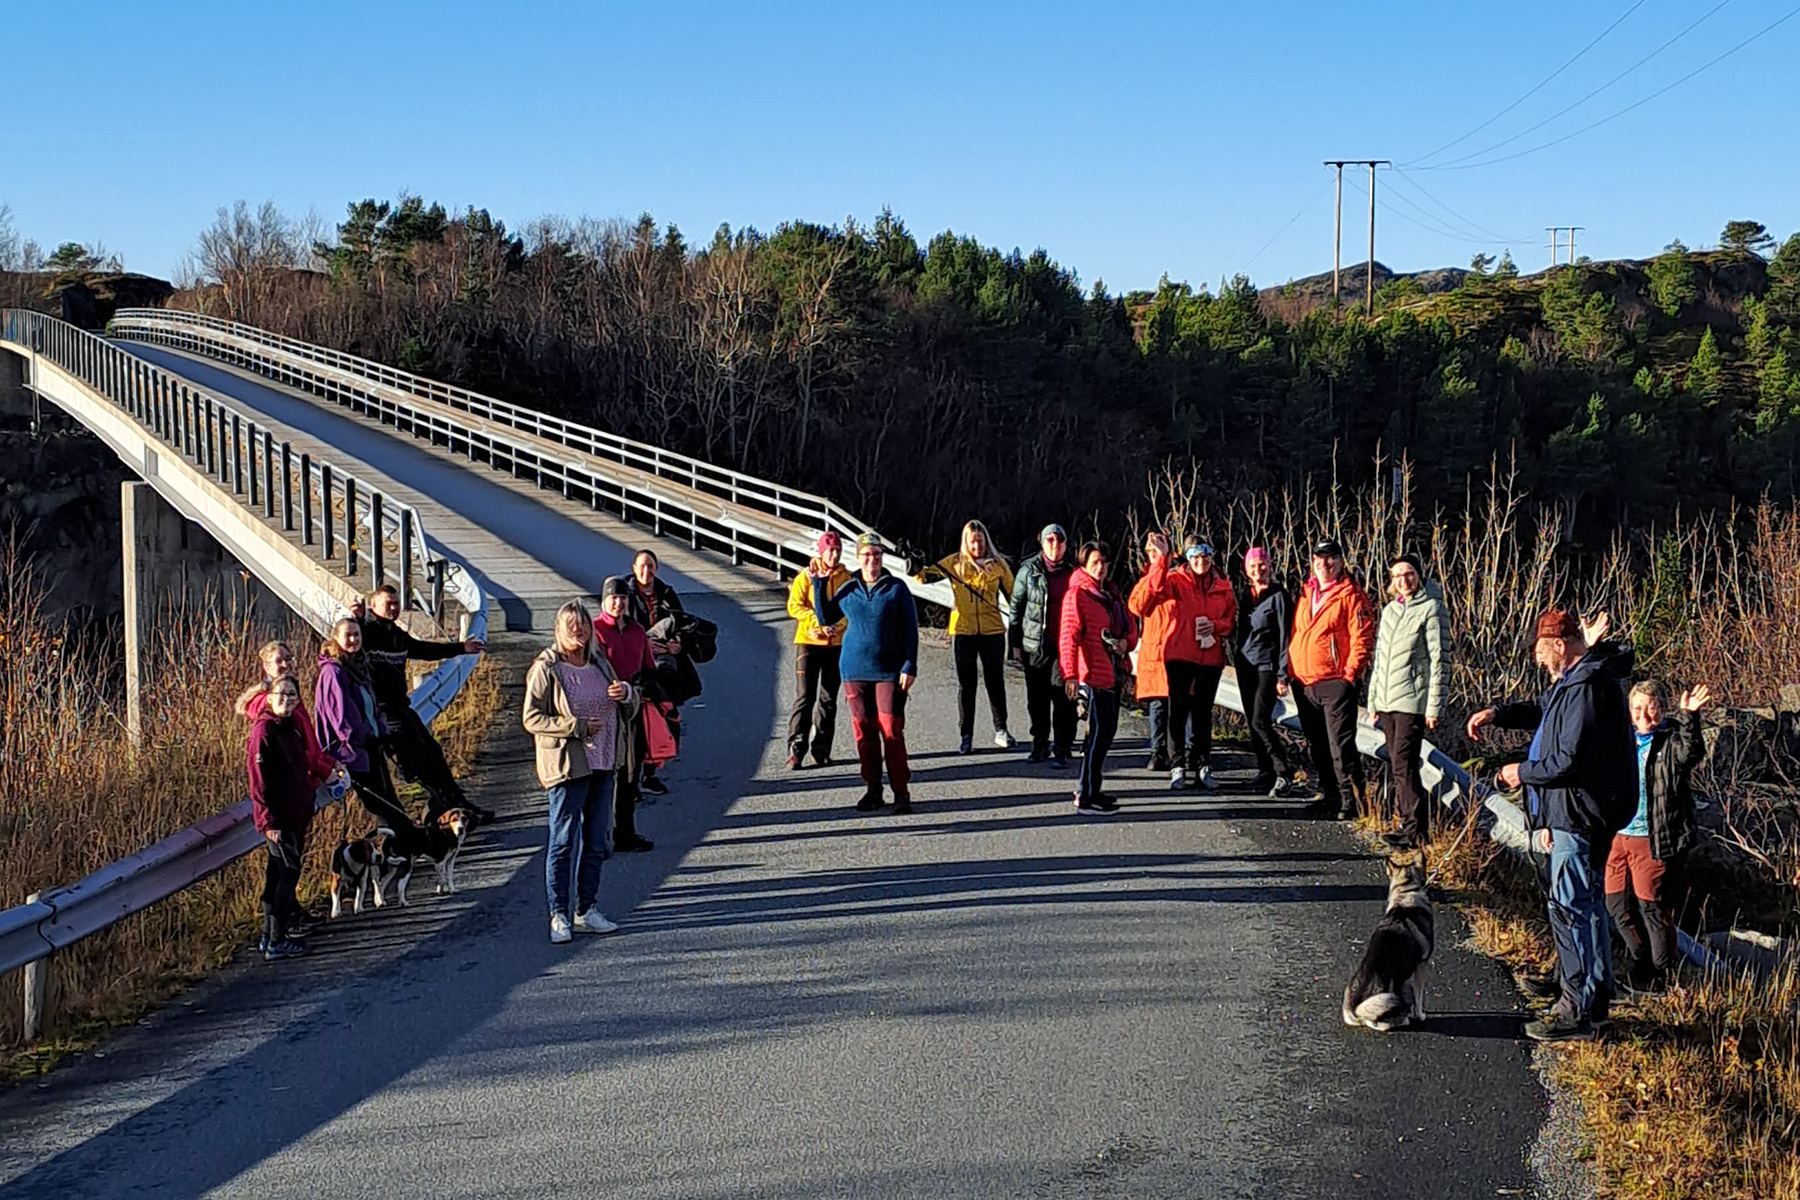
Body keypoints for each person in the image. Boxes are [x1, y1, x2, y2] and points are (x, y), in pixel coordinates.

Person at [1469, 609, 1636, 1042]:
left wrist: (1520, 773)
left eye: (1543, 653)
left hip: (1579, 812)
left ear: (1560, 646)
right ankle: (1593, 998)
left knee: (1570, 908)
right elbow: (1543, 709)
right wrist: (1497, 714)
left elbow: (1568, 760)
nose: (1541, 662)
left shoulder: (1587, 686)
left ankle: (1574, 1008)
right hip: (1582, 811)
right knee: (1587, 906)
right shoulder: (1577, 680)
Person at [524, 600, 640, 944]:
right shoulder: (547, 668)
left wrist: (627, 693)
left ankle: (587, 909)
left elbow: (629, 708)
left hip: (604, 762)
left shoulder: (600, 664)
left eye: (584, 625)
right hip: (567, 767)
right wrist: (574, 727)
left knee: (597, 840)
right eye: (572, 626)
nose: (579, 631)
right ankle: (558, 913)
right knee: (562, 841)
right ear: (560, 629)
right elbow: (532, 718)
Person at [1606, 679, 1709, 992]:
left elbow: (1691, 753)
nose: (1643, 716)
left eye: (1651, 710)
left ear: (1663, 710)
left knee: (1652, 908)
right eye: (1637, 709)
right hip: (1616, 836)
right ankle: (1641, 961)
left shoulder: (1671, 740)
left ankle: (1662, 974)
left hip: (1653, 838)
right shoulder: (1620, 740)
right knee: (1616, 906)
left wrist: (1690, 716)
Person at [357, 584, 490, 824]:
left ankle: (457, 805)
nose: (394, 608)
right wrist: (356, 617)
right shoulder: (367, 633)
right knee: (417, 761)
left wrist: (461, 648)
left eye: (396, 603)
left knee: (433, 752)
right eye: (388, 603)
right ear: (374, 606)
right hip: (382, 711)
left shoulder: (397, 635)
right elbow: (350, 641)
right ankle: (448, 809)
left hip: (401, 706)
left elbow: (424, 650)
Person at [813, 533, 919, 814]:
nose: (872, 560)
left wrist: (910, 665)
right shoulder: (849, 589)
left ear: (882, 558)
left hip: (889, 671)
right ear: (858, 559)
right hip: (854, 670)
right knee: (864, 732)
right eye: (866, 555)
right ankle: (873, 789)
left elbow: (911, 630)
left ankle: (901, 792)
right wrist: (819, 582)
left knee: (891, 730)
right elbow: (826, 617)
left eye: (877, 555)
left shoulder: (896, 589)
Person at [1287, 539, 1376, 819]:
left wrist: (1350, 675)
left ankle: (1353, 801)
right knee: (1317, 746)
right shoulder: (1306, 592)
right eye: (1319, 558)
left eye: (1331, 558)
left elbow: (1363, 638)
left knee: (1341, 746)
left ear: (1340, 561)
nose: (1324, 564)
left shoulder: (1352, 595)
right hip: (1304, 681)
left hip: (1335, 681)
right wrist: (1291, 671)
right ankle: (1330, 795)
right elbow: (1298, 632)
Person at [1368, 553, 1451, 851]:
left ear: (1420, 575)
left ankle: (1415, 829)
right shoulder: (1391, 610)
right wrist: (1373, 700)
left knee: (1404, 763)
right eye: (1398, 575)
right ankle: (1406, 822)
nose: (1403, 580)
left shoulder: (1431, 608)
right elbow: (1380, 659)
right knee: (1397, 762)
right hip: (1388, 699)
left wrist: (1433, 706)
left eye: (1409, 574)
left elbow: (1439, 659)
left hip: (1412, 701)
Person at [248, 676, 334, 961]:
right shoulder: (264, 732)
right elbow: (259, 782)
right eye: (281, 694)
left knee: (277, 874)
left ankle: (268, 936)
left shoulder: (292, 728)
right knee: (287, 874)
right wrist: (268, 821)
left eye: (292, 695)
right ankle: (277, 939)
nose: (286, 699)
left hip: (296, 813)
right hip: (279, 818)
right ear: (269, 697)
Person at [917, 519, 1017, 754]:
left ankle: (1001, 729)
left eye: (980, 541)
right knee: (966, 685)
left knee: (995, 682)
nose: (977, 546)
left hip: (992, 631)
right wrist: (914, 565)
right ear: (966, 542)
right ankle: (966, 735)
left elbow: (1013, 596)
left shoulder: (999, 565)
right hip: (963, 631)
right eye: (972, 542)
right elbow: (926, 577)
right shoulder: (954, 563)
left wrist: (1020, 627)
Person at [314, 618, 411, 834]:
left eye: (356, 635)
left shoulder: (358, 665)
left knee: (389, 799)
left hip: (372, 745)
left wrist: (382, 732)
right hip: (353, 750)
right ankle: (400, 850)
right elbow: (341, 715)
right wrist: (361, 737)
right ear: (336, 639)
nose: (353, 640)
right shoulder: (334, 672)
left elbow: (370, 704)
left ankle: (406, 847)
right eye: (347, 635)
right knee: (381, 806)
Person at [1060, 540, 1136, 814]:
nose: (1101, 568)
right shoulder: (1078, 595)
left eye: (1104, 562)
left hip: (1113, 672)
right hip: (1092, 675)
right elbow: (1068, 636)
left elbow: (1131, 627)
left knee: (1106, 735)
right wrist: (1070, 675)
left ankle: (1094, 788)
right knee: (1095, 738)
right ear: (1084, 565)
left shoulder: (1111, 594)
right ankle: (1085, 795)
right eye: (1095, 563)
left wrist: (1125, 644)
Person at [592, 576, 659, 853]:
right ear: (604, 601)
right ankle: (599, 833)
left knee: (629, 773)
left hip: (632, 707)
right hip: (603, 709)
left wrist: (642, 688)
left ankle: (625, 833)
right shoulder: (594, 630)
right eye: (613, 598)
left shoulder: (637, 631)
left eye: (622, 598)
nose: (618, 603)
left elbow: (649, 668)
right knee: (604, 772)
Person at [1009, 523, 1079, 767]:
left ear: (1065, 545)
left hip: (1065, 647)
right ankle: (1039, 743)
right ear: (1041, 542)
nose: (1054, 545)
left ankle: (1062, 746)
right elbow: (1016, 608)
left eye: (1059, 541)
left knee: (1063, 698)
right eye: (1050, 540)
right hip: (1035, 645)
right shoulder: (1028, 570)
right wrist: (1015, 644)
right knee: (1036, 699)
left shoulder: (1074, 573)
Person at [1234, 547, 1299, 797]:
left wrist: (1283, 674)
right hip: (1245, 665)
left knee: (1261, 720)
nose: (1258, 570)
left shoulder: (1279, 596)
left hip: (1267, 667)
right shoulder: (1245, 595)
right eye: (1253, 566)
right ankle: (1265, 771)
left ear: (1270, 566)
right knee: (1252, 721)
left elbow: (1286, 636)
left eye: (1262, 565)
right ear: (1246, 570)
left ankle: (1283, 772)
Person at [787, 532, 851, 770]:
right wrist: (815, 623)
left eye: (838, 551)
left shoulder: (846, 578)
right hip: (809, 641)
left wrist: (838, 627)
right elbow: (794, 605)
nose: (834, 556)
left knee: (828, 699)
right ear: (821, 552)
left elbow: (849, 609)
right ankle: (796, 748)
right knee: (805, 696)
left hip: (836, 643)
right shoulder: (807, 575)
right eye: (830, 551)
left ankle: (822, 749)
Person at [627, 549, 684, 795]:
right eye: (641, 566)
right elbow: (623, 625)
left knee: (663, 718)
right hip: (637, 666)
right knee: (637, 723)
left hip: (664, 665)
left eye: (650, 566)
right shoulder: (625, 595)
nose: (646, 572)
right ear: (634, 568)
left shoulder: (667, 594)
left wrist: (678, 642)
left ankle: (651, 775)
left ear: (656, 569)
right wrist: (643, 643)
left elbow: (681, 622)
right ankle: (633, 780)